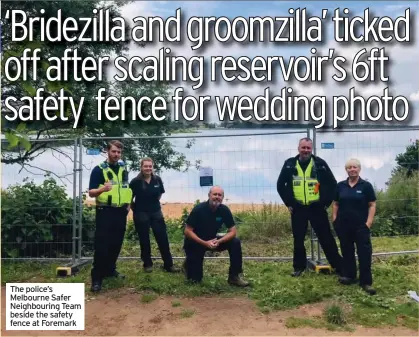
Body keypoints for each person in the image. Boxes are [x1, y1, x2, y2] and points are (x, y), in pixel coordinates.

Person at [277, 137, 343, 277]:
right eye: (303, 147)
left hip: (317, 208)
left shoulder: (319, 163)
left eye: (308, 148)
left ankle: (338, 266)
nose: (305, 150)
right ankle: (299, 268)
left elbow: (332, 184)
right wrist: (289, 203)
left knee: (326, 238)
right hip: (298, 208)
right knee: (298, 239)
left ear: (311, 149)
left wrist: (325, 203)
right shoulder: (289, 164)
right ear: (298, 148)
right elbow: (280, 185)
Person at [88, 140, 132, 292]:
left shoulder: (123, 168)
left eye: (119, 152)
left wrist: (128, 205)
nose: (116, 154)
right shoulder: (98, 170)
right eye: (113, 151)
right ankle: (97, 278)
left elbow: (126, 189)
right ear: (108, 151)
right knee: (102, 245)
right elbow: (91, 192)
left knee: (116, 243)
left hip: (120, 212)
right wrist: (102, 190)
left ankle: (110, 270)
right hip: (105, 211)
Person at [183, 186, 250, 287]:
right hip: (196, 242)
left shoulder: (224, 210)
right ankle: (189, 263)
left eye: (220, 195)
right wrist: (204, 243)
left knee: (235, 242)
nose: (217, 197)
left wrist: (219, 241)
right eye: (215, 194)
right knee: (195, 281)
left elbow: (232, 231)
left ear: (223, 197)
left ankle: (234, 277)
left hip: (213, 241)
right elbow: (188, 231)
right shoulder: (199, 209)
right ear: (209, 195)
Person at [332, 158, 377, 295]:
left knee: (364, 253)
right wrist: (334, 218)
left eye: (355, 167)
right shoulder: (340, 186)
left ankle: (366, 282)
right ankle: (350, 276)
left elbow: (372, 205)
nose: (352, 169)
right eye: (349, 167)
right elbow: (335, 203)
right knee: (347, 251)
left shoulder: (366, 186)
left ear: (359, 169)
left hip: (361, 226)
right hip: (343, 225)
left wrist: (368, 223)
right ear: (346, 170)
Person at [129, 157, 179, 273]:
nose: (148, 168)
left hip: (156, 212)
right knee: (144, 239)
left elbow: (160, 193)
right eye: (145, 166)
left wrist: (153, 204)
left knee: (163, 238)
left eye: (150, 166)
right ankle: (147, 264)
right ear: (141, 167)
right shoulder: (135, 182)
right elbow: (129, 198)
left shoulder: (157, 180)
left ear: (153, 167)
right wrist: (135, 210)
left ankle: (168, 265)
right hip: (141, 213)